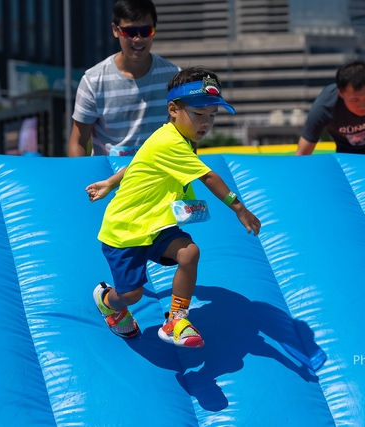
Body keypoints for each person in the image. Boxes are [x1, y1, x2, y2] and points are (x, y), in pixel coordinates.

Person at [85, 67, 261, 348]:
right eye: (199, 114)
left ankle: (176, 319)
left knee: (189, 253)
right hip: (125, 231)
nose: (206, 123)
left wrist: (110, 182)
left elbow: (139, 162)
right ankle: (107, 301)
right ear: (173, 110)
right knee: (131, 295)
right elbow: (208, 177)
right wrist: (239, 208)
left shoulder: (177, 138)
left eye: (212, 115)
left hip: (156, 226)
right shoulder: (170, 141)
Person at [68, 0, 179, 157]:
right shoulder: (93, 81)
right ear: (115, 30)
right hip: (109, 171)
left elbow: (186, 135)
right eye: (130, 32)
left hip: (158, 170)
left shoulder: (174, 77)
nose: (138, 39)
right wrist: (83, 173)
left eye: (146, 31)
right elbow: (78, 142)